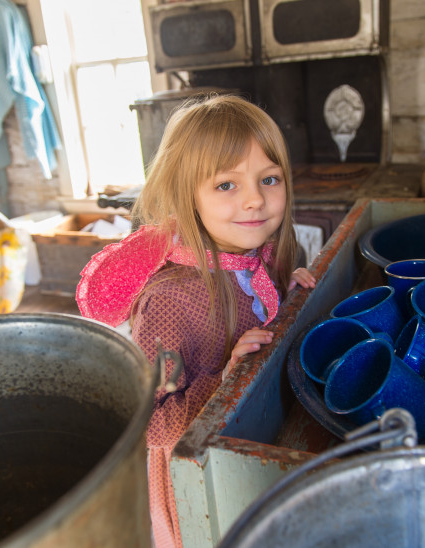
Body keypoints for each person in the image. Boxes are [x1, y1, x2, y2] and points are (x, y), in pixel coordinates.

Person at [76, 94, 315, 548]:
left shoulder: (261, 255)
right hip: (197, 481)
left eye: (269, 179)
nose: (254, 200)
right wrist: (225, 382)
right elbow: (153, 419)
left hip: (249, 443)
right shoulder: (170, 301)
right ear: (189, 195)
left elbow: (263, 319)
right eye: (227, 185)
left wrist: (290, 296)